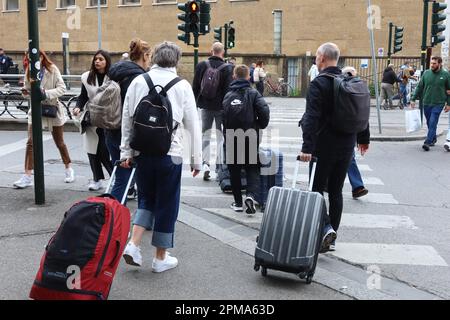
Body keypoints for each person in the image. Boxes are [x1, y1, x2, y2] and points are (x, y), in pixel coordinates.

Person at [120, 41, 202, 272]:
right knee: (167, 203)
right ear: (176, 60)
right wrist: (197, 159)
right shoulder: (182, 86)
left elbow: (127, 119)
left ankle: (134, 245)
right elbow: (192, 125)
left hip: (142, 152)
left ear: (154, 57)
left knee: (146, 199)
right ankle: (160, 258)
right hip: (170, 154)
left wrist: (126, 152)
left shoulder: (138, 81)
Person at [299, 43, 369, 253]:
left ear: (321, 58)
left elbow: (312, 118)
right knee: (336, 192)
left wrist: (307, 148)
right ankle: (332, 239)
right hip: (346, 145)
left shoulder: (319, 84)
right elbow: (362, 113)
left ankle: (326, 228)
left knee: (316, 190)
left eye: (316, 57)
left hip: (323, 146)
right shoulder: (350, 81)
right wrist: (364, 138)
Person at [13, 50, 75, 189]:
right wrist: (25, 92)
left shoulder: (51, 69)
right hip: (36, 111)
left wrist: (45, 94)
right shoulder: (30, 70)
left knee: (59, 142)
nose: (30, 60)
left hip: (52, 109)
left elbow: (62, 88)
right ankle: (27, 175)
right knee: (30, 143)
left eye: (33, 58)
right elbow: (28, 90)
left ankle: (68, 168)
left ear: (41, 57)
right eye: (28, 58)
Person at [222, 65, 270, 214]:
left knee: (234, 170)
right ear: (248, 77)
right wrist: (260, 125)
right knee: (252, 168)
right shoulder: (253, 93)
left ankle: (237, 202)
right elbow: (264, 110)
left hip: (231, 136)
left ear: (234, 76)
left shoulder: (228, 95)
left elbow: (223, 117)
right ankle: (250, 196)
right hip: (249, 135)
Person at [108, 38, 151, 201]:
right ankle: (113, 220)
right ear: (145, 56)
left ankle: (117, 218)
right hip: (127, 133)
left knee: (121, 176)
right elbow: (135, 111)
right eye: (150, 56)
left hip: (110, 129)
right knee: (125, 180)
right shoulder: (139, 78)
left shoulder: (115, 71)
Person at [73, 50, 113, 191]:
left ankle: (114, 178)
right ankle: (97, 179)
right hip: (91, 118)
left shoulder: (113, 77)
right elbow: (83, 96)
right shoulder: (87, 77)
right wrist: (78, 107)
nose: (97, 61)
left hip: (108, 118)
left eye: (101, 59)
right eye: (96, 59)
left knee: (103, 150)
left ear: (107, 61)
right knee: (91, 151)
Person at [193, 42, 233, 181]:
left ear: (211, 51)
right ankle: (219, 166)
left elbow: (196, 86)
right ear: (222, 52)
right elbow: (229, 90)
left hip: (206, 106)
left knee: (206, 135)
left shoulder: (201, 65)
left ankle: (205, 164)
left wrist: (195, 104)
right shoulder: (228, 68)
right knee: (221, 136)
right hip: (222, 107)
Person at [342, 66, 370, 200]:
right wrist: (364, 139)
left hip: (346, 132)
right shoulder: (356, 88)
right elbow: (364, 117)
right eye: (354, 75)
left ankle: (357, 187)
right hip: (344, 132)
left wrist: (364, 139)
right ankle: (357, 187)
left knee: (349, 158)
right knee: (348, 158)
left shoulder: (347, 88)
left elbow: (363, 116)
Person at [411, 56, 450, 152]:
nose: (432, 65)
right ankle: (433, 138)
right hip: (427, 102)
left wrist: (448, 103)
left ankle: (427, 142)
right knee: (429, 122)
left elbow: (449, 90)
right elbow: (420, 87)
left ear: (439, 64)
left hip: (439, 103)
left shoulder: (445, 75)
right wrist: (413, 99)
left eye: (434, 63)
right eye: (431, 63)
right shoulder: (426, 73)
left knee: (433, 121)